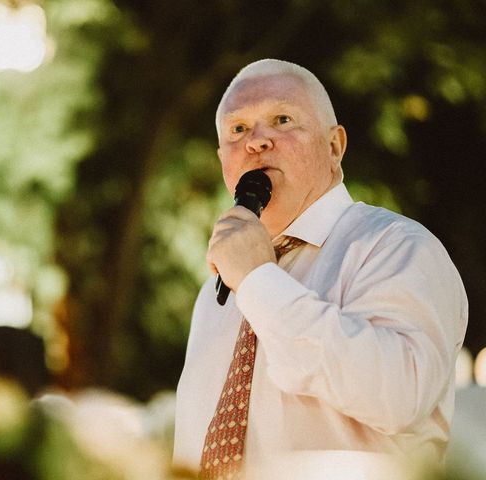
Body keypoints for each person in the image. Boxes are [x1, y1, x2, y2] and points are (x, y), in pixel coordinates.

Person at [173, 59, 468, 478]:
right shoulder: (216, 293)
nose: (256, 141)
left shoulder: (395, 247)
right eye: (238, 130)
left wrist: (259, 282)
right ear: (223, 160)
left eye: (281, 119)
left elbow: (402, 396)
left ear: (334, 147)